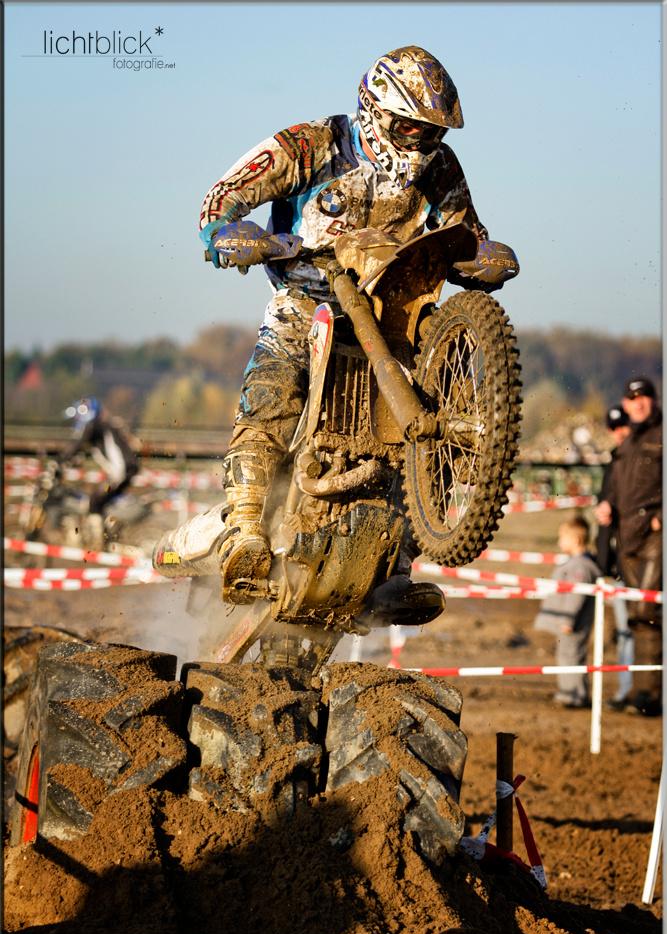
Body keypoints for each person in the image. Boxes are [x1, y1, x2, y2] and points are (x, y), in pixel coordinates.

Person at [152, 45, 518, 622]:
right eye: (409, 128)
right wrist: (230, 233)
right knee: (274, 388)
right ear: (374, 110)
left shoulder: (441, 169)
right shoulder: (311, 145)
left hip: (393, 310)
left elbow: (464, 232)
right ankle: (245, 526)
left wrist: (482, 255)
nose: (420, 143)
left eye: (431, 132)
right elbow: (220, 199)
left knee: (424, 410)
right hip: (309, 292)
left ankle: (399, 560)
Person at [595, 377, 662, 716]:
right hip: (627, 540)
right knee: (636, 620)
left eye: (644, 396)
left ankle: (649, 696)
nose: (639, 402)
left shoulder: (661, 436)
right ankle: (640, 692)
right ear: (625, 402)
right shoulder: (628, 443)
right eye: (632, 397)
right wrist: (606, 504)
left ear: (653, 399)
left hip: (654, 538)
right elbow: (616, 487)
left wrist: (661, 517)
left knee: (646, 615)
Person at [534, 515, 602, 708]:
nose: (559, 541)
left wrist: (568, 620)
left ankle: (574, 695)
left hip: (571, 624)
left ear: (576, 540)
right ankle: (571, 693)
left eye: (562, 537)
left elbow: (576, 596)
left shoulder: (579, 566)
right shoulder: (577, 564)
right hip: (570, 623)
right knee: (568, 656)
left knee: (570, 657)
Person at [59, 397, 140, 543]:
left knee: (94, 502)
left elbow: (77, 444)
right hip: (123, 471)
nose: (76, 423)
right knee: (102, 501)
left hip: (119, 472)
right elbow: (83, 451)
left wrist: (60, 460)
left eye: (77, 418)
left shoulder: (94, 428)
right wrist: (70, 462)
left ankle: (98, 540)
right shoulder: (101, 429)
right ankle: (109, 532)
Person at [595, 404, 634, 707]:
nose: (621, 432)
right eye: (615, 428)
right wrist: (603, 563)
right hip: (619, 563)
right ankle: (627, 691)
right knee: (625, 631)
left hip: (639, 559)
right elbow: (604, 515)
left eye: (625, 426)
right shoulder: (613, 465)